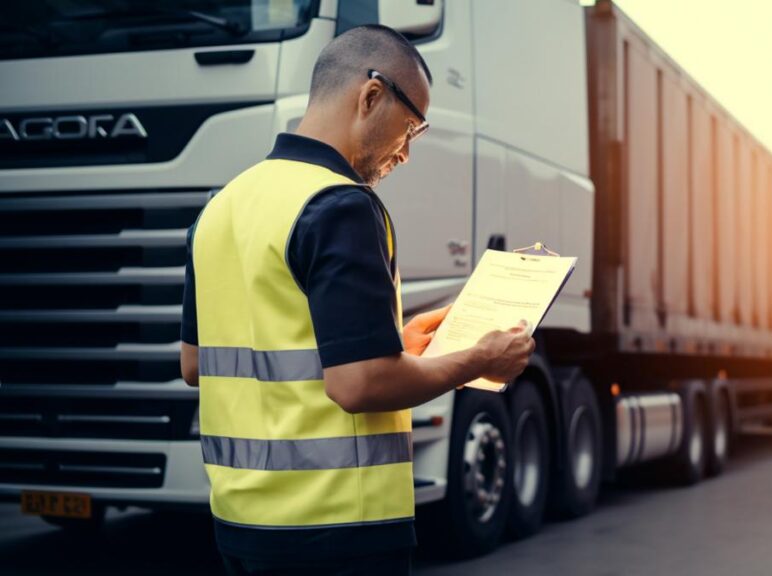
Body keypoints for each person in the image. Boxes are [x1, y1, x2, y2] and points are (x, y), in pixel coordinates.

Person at [178, 24, 535, 575]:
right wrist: (479, 361)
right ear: (372, 96)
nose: (408, 152)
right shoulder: (340, 205)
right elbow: (359, 384)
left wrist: (399, 345)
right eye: (411, 126)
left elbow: (197, 364)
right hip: (341, 531)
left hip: (241, 525)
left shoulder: (220, 207)